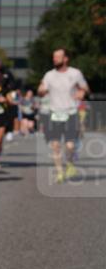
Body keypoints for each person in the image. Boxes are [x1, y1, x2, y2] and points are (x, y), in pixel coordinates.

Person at [38, 48, 89, 183]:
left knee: (70, 146)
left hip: (71, 112)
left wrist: (82, 92)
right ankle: (60, 173)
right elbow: (41, 89)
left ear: (65, 58)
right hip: (54, 113)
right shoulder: (49, 75)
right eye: (54, 57)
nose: (54, 59)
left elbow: (85, 87)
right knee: (55, 145)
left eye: (57, 57)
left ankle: (70, 163)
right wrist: (41, 91)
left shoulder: (75, 73)